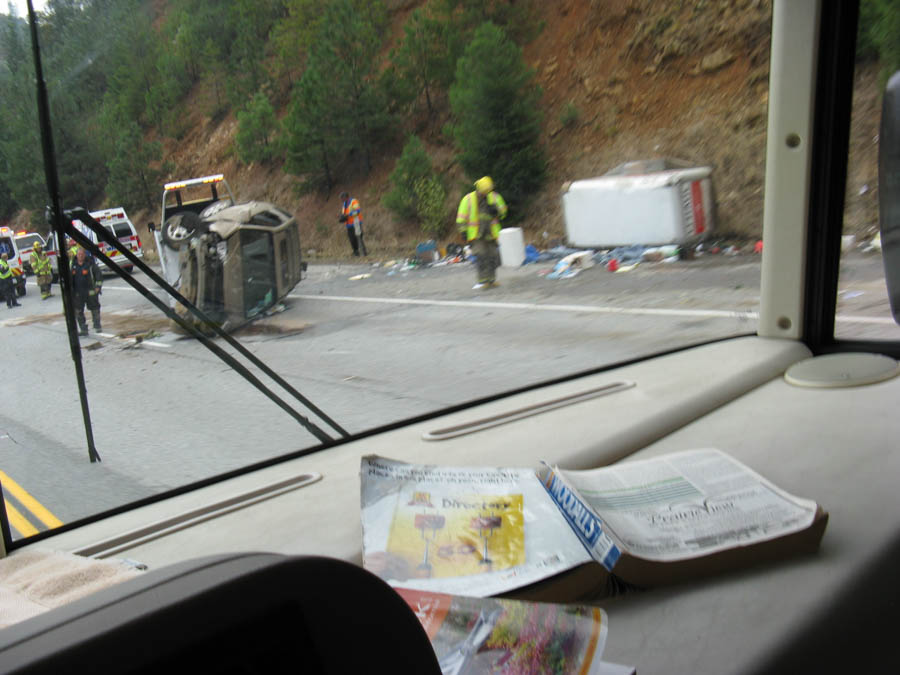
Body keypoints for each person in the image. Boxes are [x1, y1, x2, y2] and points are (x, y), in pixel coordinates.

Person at [456, 176, 508, 289]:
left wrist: (497, 211)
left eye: (486, 192)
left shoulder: (495, 197)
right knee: (481, 256)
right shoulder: (468, 199)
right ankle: (483, 281)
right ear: (478, 189)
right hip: (476, 235)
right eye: (483, 192)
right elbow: (461, 218)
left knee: (493, 257)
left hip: (491, 234)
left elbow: (504, 212)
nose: (484, 194)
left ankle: (491, 280)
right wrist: (463, 231)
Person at [70, 246, 102, 336]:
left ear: (84, 255)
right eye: (79, 254)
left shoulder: (91, 265)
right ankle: (83, 329)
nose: (80, 256)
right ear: (76, 255)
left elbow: (99, 276)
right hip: (78, 293)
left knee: (95, 308)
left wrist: (98, 287)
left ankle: (97, 325)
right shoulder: (73, 265)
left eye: (82, 254)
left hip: (90, 292)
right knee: (78, 311)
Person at [339, 191, 367, 256]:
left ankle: (363, 252)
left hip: (356, 222)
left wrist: (348, 215)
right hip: (349, 224)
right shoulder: (344, 204)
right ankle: (356, 252)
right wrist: (342, 217)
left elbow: (357, 211)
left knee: (359, 237)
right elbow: (345, 213)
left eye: (342, 198)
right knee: (352, 239)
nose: (341, 200)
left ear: (346, 197)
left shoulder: (354, 201)